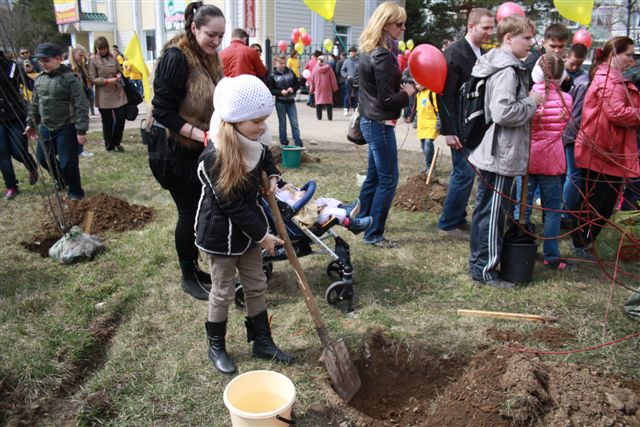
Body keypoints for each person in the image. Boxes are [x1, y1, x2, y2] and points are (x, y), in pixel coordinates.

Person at [196, 74, 295, 374]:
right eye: (256, 121)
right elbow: (232, 206)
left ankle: (262, 342)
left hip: (249, 235)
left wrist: (274, 175)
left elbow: (265, 158)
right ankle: (217, 346)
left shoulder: (253, 143)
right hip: (221, 237)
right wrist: (263, 236)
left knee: (256, 285)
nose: (262, 126)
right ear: (235, 121)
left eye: (264, 119)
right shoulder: (215, 158)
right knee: (223, 291)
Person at [149, 1, 224, 300]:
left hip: (195, 148)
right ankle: (187, 276)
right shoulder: (176, 58)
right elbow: (163, 111)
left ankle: (194, 268)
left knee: (199, 212)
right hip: (171, 152)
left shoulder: (208, 57)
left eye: (221, 35)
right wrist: (201, 135)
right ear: (194, 28)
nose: (217, 41)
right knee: (188, 212)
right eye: (211, 34)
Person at [467, 16, 543, 288]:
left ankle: (479, 264)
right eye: (526, 39)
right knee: (492, 214)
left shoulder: (504, 65)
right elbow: (503, 112)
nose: (531, 46)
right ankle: (485, 270)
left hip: (497, 151)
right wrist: (531, 103)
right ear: (508, 38)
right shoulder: (507, 70)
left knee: (487, 211)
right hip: (500, 153)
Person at [572, 36, 640, 259]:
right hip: (601, 150)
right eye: (628, 54)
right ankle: (580, 243)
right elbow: (617, 112)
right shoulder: (607, 80)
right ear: (614, 55)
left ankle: (586, 242)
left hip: (608, 150)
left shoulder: (611, 77)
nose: (632, 60)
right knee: (595, 203)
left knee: (604, 203)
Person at [356, 1, 414, 248]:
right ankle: (373, 233)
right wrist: (409, 93)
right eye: (398, 24)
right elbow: (387, 98)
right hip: (378, 122)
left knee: (374, 176)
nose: (402, 29)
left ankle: (360, 220)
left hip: (373, 120)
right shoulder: (381, 54)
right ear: (385, 24)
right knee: (389, 179)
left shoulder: (370, 50)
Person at [437, 8, 494, 239]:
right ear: (471, 27)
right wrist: (449, 132)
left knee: (466, 174)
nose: (490, 32)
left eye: (492, 27)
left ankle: (458, 219)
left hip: (476, 126)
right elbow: (445, 95)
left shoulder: (482, 52)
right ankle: (448, 224)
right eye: (486, 28)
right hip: (459, 128)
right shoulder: (454, 53)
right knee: (463, 174)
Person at [525, 54, 574, 270]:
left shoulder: (528, 96)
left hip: (528, 158)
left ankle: (521, 246)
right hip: (553, 161)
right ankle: (551, 256)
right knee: (552, 210)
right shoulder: (567, 100)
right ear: (562, 75)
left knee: (523, 206)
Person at [25, 43, 90, 200]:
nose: (43, 64)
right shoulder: (39, 79)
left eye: (46, 60)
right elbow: (35, 104)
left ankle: (75, 191)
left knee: (68, 163)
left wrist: (81, 131)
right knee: (42, 158)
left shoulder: (70, 79)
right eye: (40, 60)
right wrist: (31, 124)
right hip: (46, 127)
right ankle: (61, 180)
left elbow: (81, 104)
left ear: (58, 59)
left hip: (67, 126)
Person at [0, 50, 38, 200]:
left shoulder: (12, 67)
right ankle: (11, 186)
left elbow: (31, 85)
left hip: (16, 115)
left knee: (18, 150)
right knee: (2, 153)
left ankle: (31, 166)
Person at [561, 44, 590, 229]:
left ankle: (564, 208)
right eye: (572, 63)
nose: (574, 67)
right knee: (573, 175)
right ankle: (564, 212)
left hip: (569, 130)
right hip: (571, 131)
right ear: (567, 57)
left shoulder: (581, 77)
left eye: (578, 65)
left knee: (570, 174)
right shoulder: (578, 81)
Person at [276, 183, 372, 233]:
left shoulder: (282, 190)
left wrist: (298, 190)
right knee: (332, 213)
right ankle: (355, 224)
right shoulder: (278, 197)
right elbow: (292, 207)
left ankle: (348, 210)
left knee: (326, 201)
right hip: (307, 217)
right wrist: (299, 197)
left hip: (309, 207)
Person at [89, 36, 128, 152]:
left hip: (117, 91)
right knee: (107, 121)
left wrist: (119, 75)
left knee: (121, 118)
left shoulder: (113, 57)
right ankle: (109, 145)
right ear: (96, 48)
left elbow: (119, 71)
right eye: (100, 49)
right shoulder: (92, 60)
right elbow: (92, 78)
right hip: (103, 94)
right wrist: (106, 81)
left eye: (104, 49)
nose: (102, 51)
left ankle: (117, 141)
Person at [267, 55, 303, 147]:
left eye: (284, 63)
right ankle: (283, 143)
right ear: (276, 63)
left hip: (291, 101)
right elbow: (271, 90)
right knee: (282, 123)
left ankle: (298, 142)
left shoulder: (290, 72)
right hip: (280, 102)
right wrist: (280, 92)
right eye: (281, 63)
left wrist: (293, 88)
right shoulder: (272, 75)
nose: (283, 65)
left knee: (294, 123)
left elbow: (297, 84)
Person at [524, 23, 571, 91]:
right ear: (544, 43)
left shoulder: (563, 64)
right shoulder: (532, 63)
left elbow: (565, 90)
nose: (557, 50)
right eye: (553, 46)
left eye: (561, 46)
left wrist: (568, 79)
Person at [69, 45, 95, 158]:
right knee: (77, 126)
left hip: (82, 99)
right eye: (80, 55)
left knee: (80, 125)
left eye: (83, 56)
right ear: (73, 55)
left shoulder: (81, 67)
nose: (82, 58)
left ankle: (79, 149)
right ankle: (78, 150)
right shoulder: (69, 69)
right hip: (74, 102)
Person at [415, 83, 439, 173]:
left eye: (418, 83)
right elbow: (418, 111)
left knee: (428, 143)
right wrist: (415, 122)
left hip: (431, 125)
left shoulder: (432, 93)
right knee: (423, 146)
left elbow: (438, 110)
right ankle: (430, 165)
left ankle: (430, 167)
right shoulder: (419, 95)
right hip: (422, 126)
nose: (416, 85)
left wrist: (439, 124)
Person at [309, 56, 338, 121]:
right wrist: (335, 87)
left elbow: (312, 80)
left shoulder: (315, 68)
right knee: (329, 102)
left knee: (318, 102)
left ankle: (319, 117)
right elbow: (332, 78)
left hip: (318, 87)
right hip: (327, 87)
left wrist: (311, 89)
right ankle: (329, 117)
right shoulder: (329, 68)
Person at [341, 47, 359, 116]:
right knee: (347, 95)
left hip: (357, 81)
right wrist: (346, 76)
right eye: (351, 52)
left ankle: (355, 109)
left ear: (356, 52)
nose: (352, 53)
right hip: (348, 80)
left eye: (353, 52)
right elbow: (342, 70)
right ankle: (346, 109)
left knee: (356, 96)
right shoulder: (346, 61)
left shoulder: (359, 60)